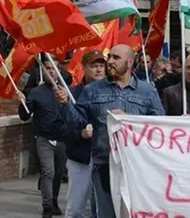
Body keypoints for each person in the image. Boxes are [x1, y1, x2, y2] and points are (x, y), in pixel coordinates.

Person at [55, 44, 165, 218]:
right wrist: (65, 104)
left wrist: (128, 119)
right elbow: (77, 122)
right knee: (106, 214)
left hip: (136, 166)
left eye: (116, 58)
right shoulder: (92, 90)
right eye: (110, 57)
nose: (110, 62)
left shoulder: (148, 92)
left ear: (129, 63)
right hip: (104, 164)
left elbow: (158, 127)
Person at [17, 58, 71, 218]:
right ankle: (47, 206)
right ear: (43, 71)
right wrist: (21, 102)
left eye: (54, 68)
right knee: (48, 172)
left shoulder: (65, 90)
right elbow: (24, 115)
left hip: (61, 137)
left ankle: (54, 200)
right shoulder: (36, 92)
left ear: (59, 71)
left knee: (58, 172)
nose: (51, 71)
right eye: (48, 68)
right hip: (43, 137)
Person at [63, 50, 105, 218]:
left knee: (103, 208)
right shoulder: (72, 94)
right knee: (76, 208)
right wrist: (80, 134)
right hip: (81, 158)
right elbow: (60, 128)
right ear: (84, 68)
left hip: (105, 158)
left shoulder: (113, 92)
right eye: (94, 66)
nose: (98, 70)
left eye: (101, 66)